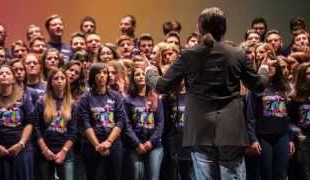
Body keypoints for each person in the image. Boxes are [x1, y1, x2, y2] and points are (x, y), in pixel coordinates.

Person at [145, 7, 269, 179]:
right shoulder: (237, 54)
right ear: (224, 28)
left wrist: (150, 71)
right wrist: (263, 69)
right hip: (231, 130)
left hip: (200, 130)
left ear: (200, 28)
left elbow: (161, 86)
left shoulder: (189, 55)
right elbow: (259, 85)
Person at [77, 63, 126, 180]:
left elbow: (120, 120)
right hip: (93, 144)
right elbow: (85, 123)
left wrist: (109, 142)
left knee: (114, 176)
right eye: (98, 73)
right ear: (93, 76)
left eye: (105, 73)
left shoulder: (116, 96)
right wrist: (97, 145)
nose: (102, 76)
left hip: (113, 143)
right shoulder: (85, 98)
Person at [0, 65, 36, 180]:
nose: (4, 75)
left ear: (13, 79)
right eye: (1, 73)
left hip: (21, 150)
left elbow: (30, 123)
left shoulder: (24, 97)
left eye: (7, 73)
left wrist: (21, 144)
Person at [34, 69, 77, 180]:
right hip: (45, 152)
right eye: (56, 78)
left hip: (65, 152)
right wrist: (45, 150)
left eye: (62, 78)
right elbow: (36, 128)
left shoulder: (72, 104)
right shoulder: (41, 102)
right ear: (50, 82)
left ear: (66, 82)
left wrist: (63, 152)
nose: (59, 81)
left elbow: (73, 132)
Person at [124, 67, 164, 180]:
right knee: (137, 176)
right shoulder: (127, 100)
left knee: (153, 177)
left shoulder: (157, 98)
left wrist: (150, 142)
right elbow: (126, 125)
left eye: (144, 74)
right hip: (134, 146)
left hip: (154, 145)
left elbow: (160, 124)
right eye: (137, 74)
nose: (141, 76)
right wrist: (137, 143)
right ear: (133, 79)